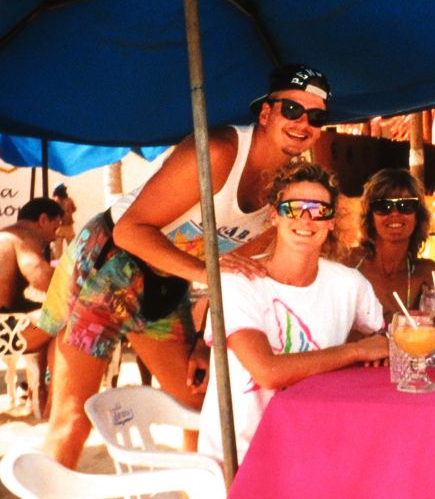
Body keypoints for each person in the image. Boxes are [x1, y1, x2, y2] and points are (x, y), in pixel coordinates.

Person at [38, 63, 332, 469]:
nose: (303, 123)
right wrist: (207, 275)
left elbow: (234, 272)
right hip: (108, 264)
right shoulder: (218, 153)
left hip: (170, 280)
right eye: (292, 110)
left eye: (316, 116)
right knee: (72, 418)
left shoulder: (285, 195)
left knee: (197, 401)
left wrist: (201, 339)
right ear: (265, 113)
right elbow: (130, 231)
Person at [198, 161, 385, 464]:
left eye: (320, 210)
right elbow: (267, 372)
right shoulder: (239, 283)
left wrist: (377, 347)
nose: (307, 219)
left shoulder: (350, 285)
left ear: (332, 221)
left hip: (316, 447)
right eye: (294, 208)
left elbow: (384, 335)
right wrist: (355, 351)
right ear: (274, 215)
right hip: (242, 456)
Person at [333, 168, 435, 323]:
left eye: (405, 205)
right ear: (370, 216)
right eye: (383, 206)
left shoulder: (428, 274)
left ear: (418, 216)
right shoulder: (347, 264)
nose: (395, 213)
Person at [0, 198, 63, 314]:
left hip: (0, 316)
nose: (54, 237)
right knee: (67, 317)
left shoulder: (1, 237)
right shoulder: (24, 237)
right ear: (43, 220)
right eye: (54, 229)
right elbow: (40, 277)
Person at [51, 184, 76, 260]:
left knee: (57, 252)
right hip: (69, 227)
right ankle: (72, 268)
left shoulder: (55, 201)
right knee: (73, 250)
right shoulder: (70, 200)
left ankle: (55, 270)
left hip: (58, 227)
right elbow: (74, 209)